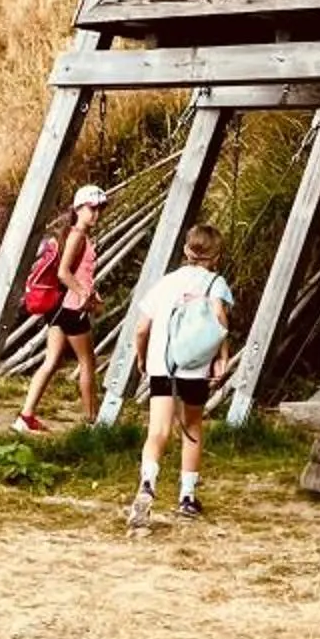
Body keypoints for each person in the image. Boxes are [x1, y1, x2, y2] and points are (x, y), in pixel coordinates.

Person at [124, 223, 234, 526]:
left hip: (162, 364)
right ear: (216, 255)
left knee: (157, 431)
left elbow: (142, 327)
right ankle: (186, 497)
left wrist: (142, 357)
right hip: (194, 367)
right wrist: (221, 357)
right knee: (193, 426)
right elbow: (220, 318)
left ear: (186, 250)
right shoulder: (216, 283)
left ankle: (147, 484)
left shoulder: (166, 283)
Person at [12, 182, 108, 434]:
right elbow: (64, 273)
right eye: (92, 208)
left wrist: (86, 289)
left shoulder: (74, 235)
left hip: (59, 307)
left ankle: (26, 415)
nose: (96, 214)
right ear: (78, 208)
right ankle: (92, 422)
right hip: (71, 308)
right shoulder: (77, 236)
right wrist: (85, 294)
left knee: (52, 360)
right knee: (88, 361)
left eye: (100, 209)